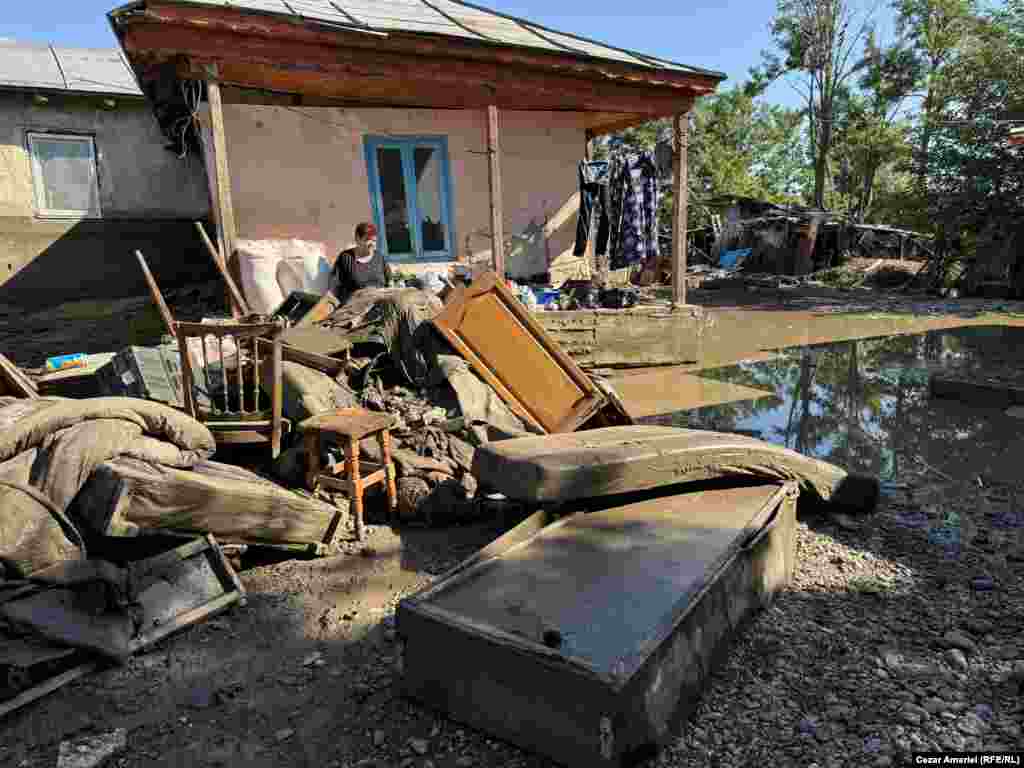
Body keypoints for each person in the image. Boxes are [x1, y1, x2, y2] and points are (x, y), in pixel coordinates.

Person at [333, 222, 391, 302]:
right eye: (367, 240)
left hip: (380, 302)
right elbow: (335, 286)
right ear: (357, 239)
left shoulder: (379, 257)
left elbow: (390, 282)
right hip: (356, 305)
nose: (372, 244)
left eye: (374, 241)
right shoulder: (345, 257)